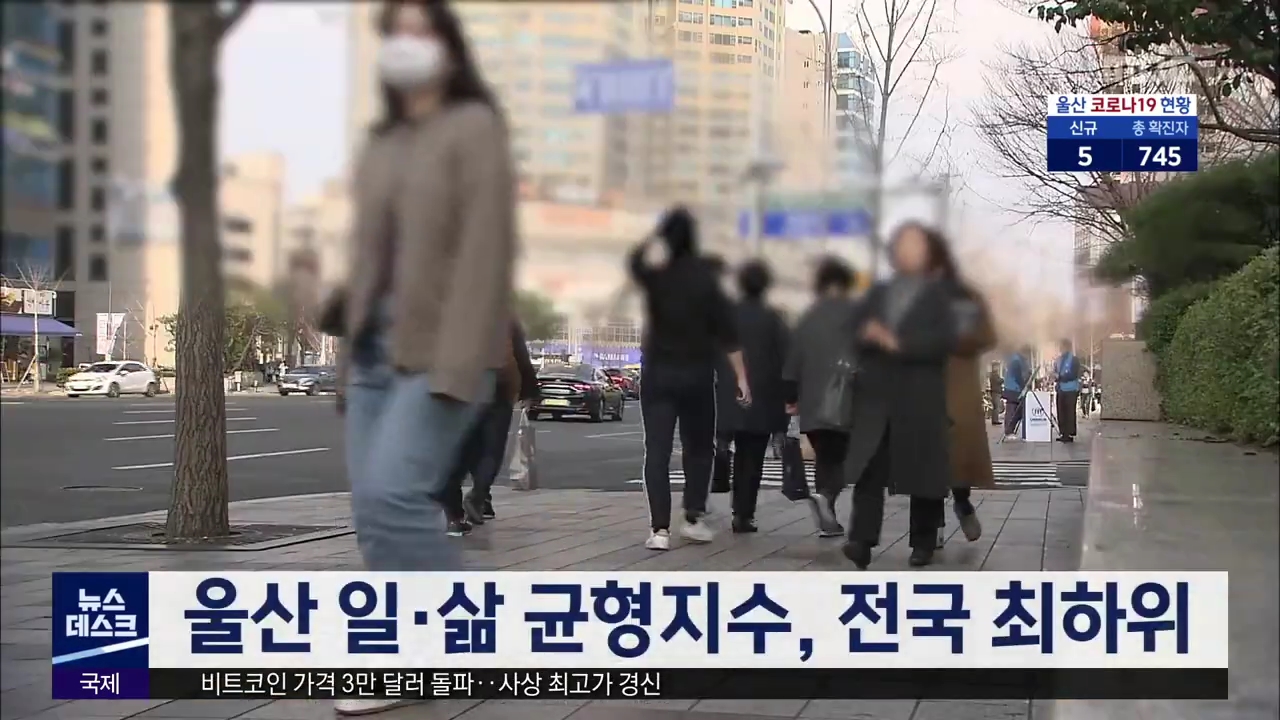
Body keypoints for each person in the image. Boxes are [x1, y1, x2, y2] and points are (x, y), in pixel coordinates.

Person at [335, 2, 514, 714]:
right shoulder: (382, 141)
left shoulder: (474, 129)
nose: (406, 45)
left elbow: (486, 252)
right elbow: (366, 256)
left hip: (440, 347)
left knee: (394, 495)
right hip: (372, 351)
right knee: (373, 511)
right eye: (395, 34)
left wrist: (461, 364)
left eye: (421, 31)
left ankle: (447, 642)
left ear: (447, 44)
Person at [630, 206, 750, 551]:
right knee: (699, 449)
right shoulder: (706, 282)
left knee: (657, 451)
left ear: (666, 239)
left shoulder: (657, 277)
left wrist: (653, 236)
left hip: (658, 376)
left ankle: (659, 530)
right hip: (697, 376)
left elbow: (634, 262)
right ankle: (693, 518)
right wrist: (742, 378)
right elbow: (729, 335)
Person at [840, 223, 958, 569]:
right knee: (870, 469)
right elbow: (853, 330)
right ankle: (861, 540)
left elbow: (943, 342)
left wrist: (897, 343)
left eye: (915, 245)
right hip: (878, 397)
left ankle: (923, 542)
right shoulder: (878, 292)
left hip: (919, 396)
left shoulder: (938, 296)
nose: (907, 251)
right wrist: (866, 334)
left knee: (923, 472)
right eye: (902, 244)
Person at [782, 256, 859, 537]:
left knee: (825, 457)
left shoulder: (808, 318)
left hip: (812, 403)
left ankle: (828, 519)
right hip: (845, 400)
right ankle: (826, 498)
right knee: (842, 460)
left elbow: (792, 362)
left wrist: (791, 397)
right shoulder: (856, 315)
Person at [440, 321, 539, 535]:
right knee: (491, 450)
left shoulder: (446, 309)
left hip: (459, 389)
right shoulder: (502, 314)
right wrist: (530, 390)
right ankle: (478, 496)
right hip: (497, 388)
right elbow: (520, 354)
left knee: (456, 452)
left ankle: (454, 516)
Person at [718, 259, 789, 534]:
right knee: (752, 458)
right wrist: (784, 412)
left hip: (728, 397)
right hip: (762, 400)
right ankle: (743, 514)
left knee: (724, 450)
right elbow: (786, 363)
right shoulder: (774, 319)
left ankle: (701, 506)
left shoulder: (727, 315)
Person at [935, 248, 998, 545]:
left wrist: (958, 339)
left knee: (958, 454)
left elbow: (988, 336)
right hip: (928, 385)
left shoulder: (969, 298)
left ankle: (962, 503)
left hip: (958, 384)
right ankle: (933, 526)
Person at [1053, 338, 1081, 442]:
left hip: (1071, 390)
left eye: (1063, 346)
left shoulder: (1074, 360)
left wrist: (1060, 377)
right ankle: (1063, 433)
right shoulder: (1058, 360)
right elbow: (1055, 371)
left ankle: (1069, 433)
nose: (1061, 349)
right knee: (1061, 412)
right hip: (1060, 389)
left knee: (1069, 412)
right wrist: (1055, 376)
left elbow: (1073, 374)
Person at [1002, 345, 1032, 439]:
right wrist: (1023, 386)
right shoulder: (1016, 360)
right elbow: (1018, 376)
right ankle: (1008, 431)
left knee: (1018, 409)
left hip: (1014, 388)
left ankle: (1010, 429)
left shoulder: (1019, 359)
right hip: (1013, 388)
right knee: (1012, 410)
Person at [987, 361, 1003, 425]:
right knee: (996, 407)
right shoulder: (994, 375)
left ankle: (994, 420)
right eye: (996, 366)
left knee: (995, 407)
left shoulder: (993, 375)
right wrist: (1002, 379)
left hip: (995, 392)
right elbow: (998, 381)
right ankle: (995, 420)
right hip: (996, 392)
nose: (997, 368)